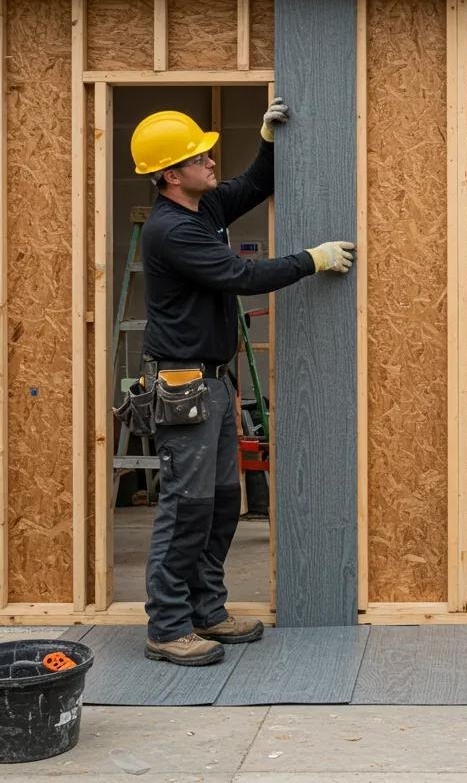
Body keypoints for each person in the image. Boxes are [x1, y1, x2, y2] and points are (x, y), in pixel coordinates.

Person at [128, 101, 354, 666]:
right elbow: (242, 275)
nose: (209, 159)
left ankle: (207, 610)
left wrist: (269, 138)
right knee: (186, 507)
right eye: (196, 156)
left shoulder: (203, 209)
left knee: (223, 502)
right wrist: (312, 259)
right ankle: (168, 625)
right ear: (170, 175)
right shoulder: (171, 229)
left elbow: (255, 183)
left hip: (212, 383)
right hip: (184, 386)